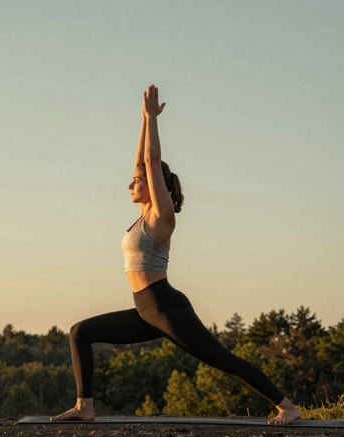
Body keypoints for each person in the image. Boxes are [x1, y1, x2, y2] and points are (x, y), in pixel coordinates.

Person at [51, 84, 300, 425]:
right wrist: (142, 120)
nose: (130, 184)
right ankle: (85, 406)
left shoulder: (160, 216)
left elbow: (151, 162)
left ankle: (286, 406)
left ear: (154, 186)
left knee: (221, 359)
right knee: (80, 331)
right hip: (145, 309)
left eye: (136, 180)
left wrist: (153, 120)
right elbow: (143, 160)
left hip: (166, 307)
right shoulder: (141, 217)